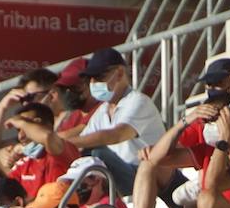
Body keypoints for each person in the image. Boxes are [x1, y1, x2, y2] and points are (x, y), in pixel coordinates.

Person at [63, 48, 165, 196]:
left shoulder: (138, 101)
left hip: (148, 176)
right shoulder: (102, 111)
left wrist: (70, 142)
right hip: (125, 177)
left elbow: (117, 135)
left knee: (99, 155)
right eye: (90, 79)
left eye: (98, 77)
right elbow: (82, 145)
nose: (93, 83)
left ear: (119, 73)